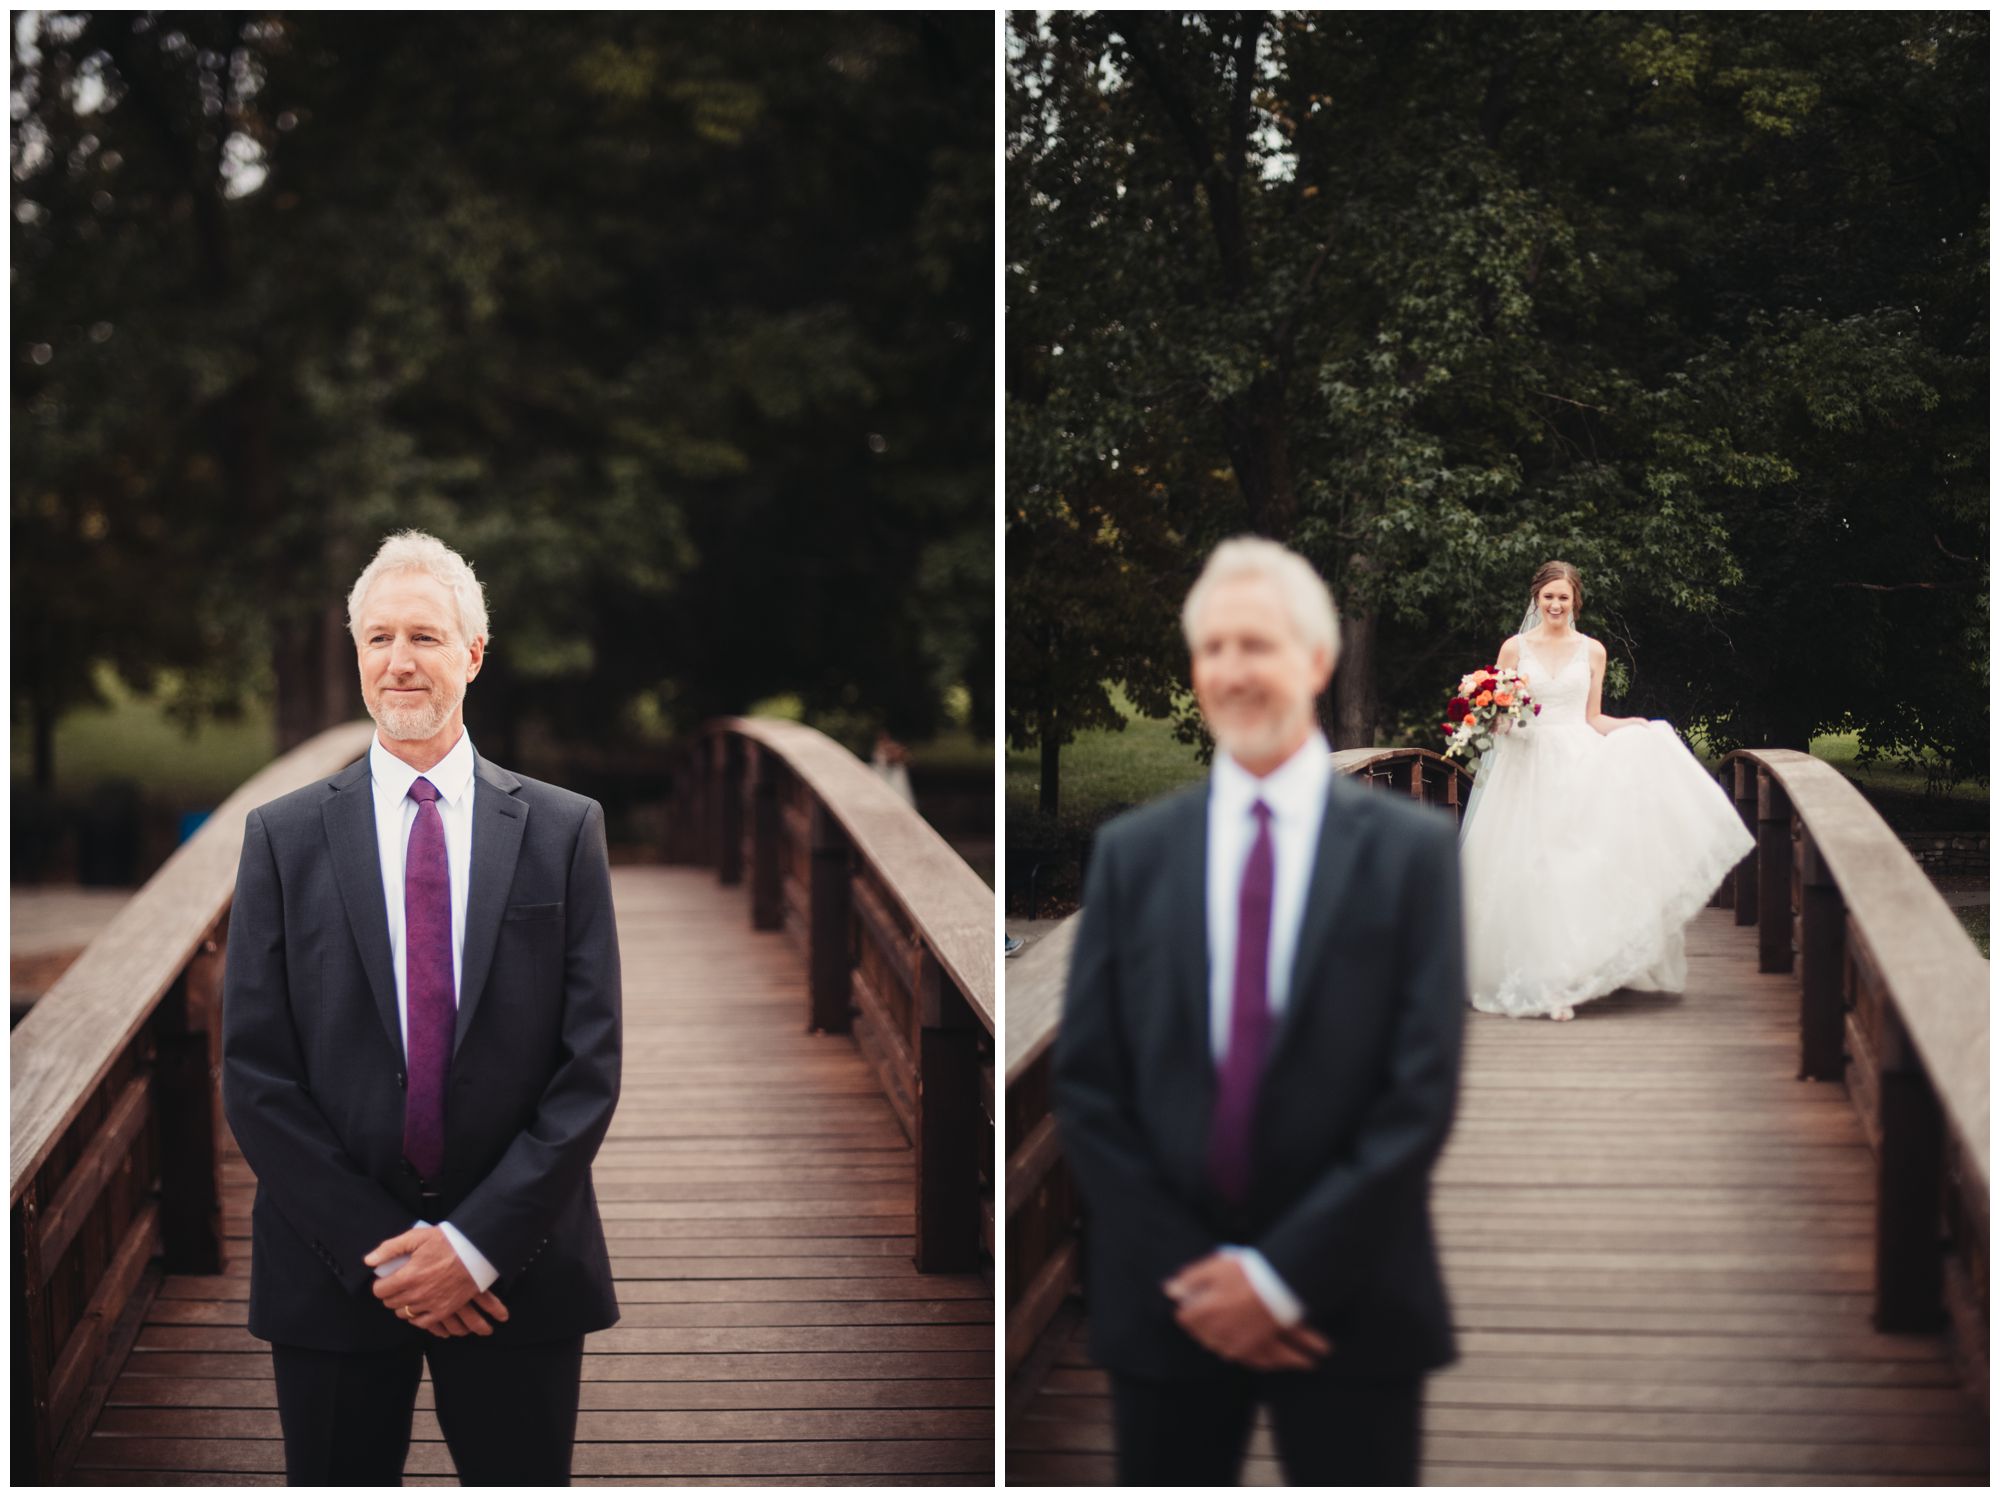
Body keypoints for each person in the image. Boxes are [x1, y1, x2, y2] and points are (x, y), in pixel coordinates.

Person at [1050, 536, 1466, 1486]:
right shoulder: (1134, 853)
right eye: (1214, 648)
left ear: (1316, 660)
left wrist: (1278, 1281)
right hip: (1169, 1300)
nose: (1232, 671)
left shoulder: (1412, 854)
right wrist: (1199, 1276)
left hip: (1353, 1296)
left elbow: (1420, 1089)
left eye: (1258, 645)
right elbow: (1089, 1083)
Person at [221, 530, 622, 1485]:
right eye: (377, 637)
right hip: (331, 1269)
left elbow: (589, 1064)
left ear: (473, 655)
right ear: (356, 650)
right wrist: (390, 1257)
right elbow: (256, 1072)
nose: (398, 661)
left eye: (426, 638)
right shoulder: (280, 839)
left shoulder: (565, 831)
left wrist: (475, 1247)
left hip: (518, 1267)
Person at [1458, 559, 1754, 1020]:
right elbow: (1500, 719)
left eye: (1564, 596)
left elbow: (1592, 718)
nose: (1556, 604)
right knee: (1531, 869)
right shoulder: (1514, 649)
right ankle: (1540, 977)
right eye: (1549, 596)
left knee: (1573, 868)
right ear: (1536, 598)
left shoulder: (1592, 651)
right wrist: (1494, 716)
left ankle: (1568, 977)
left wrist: (1634, 727)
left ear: (1576, 600)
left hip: (1576, 762)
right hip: (1526, 764)